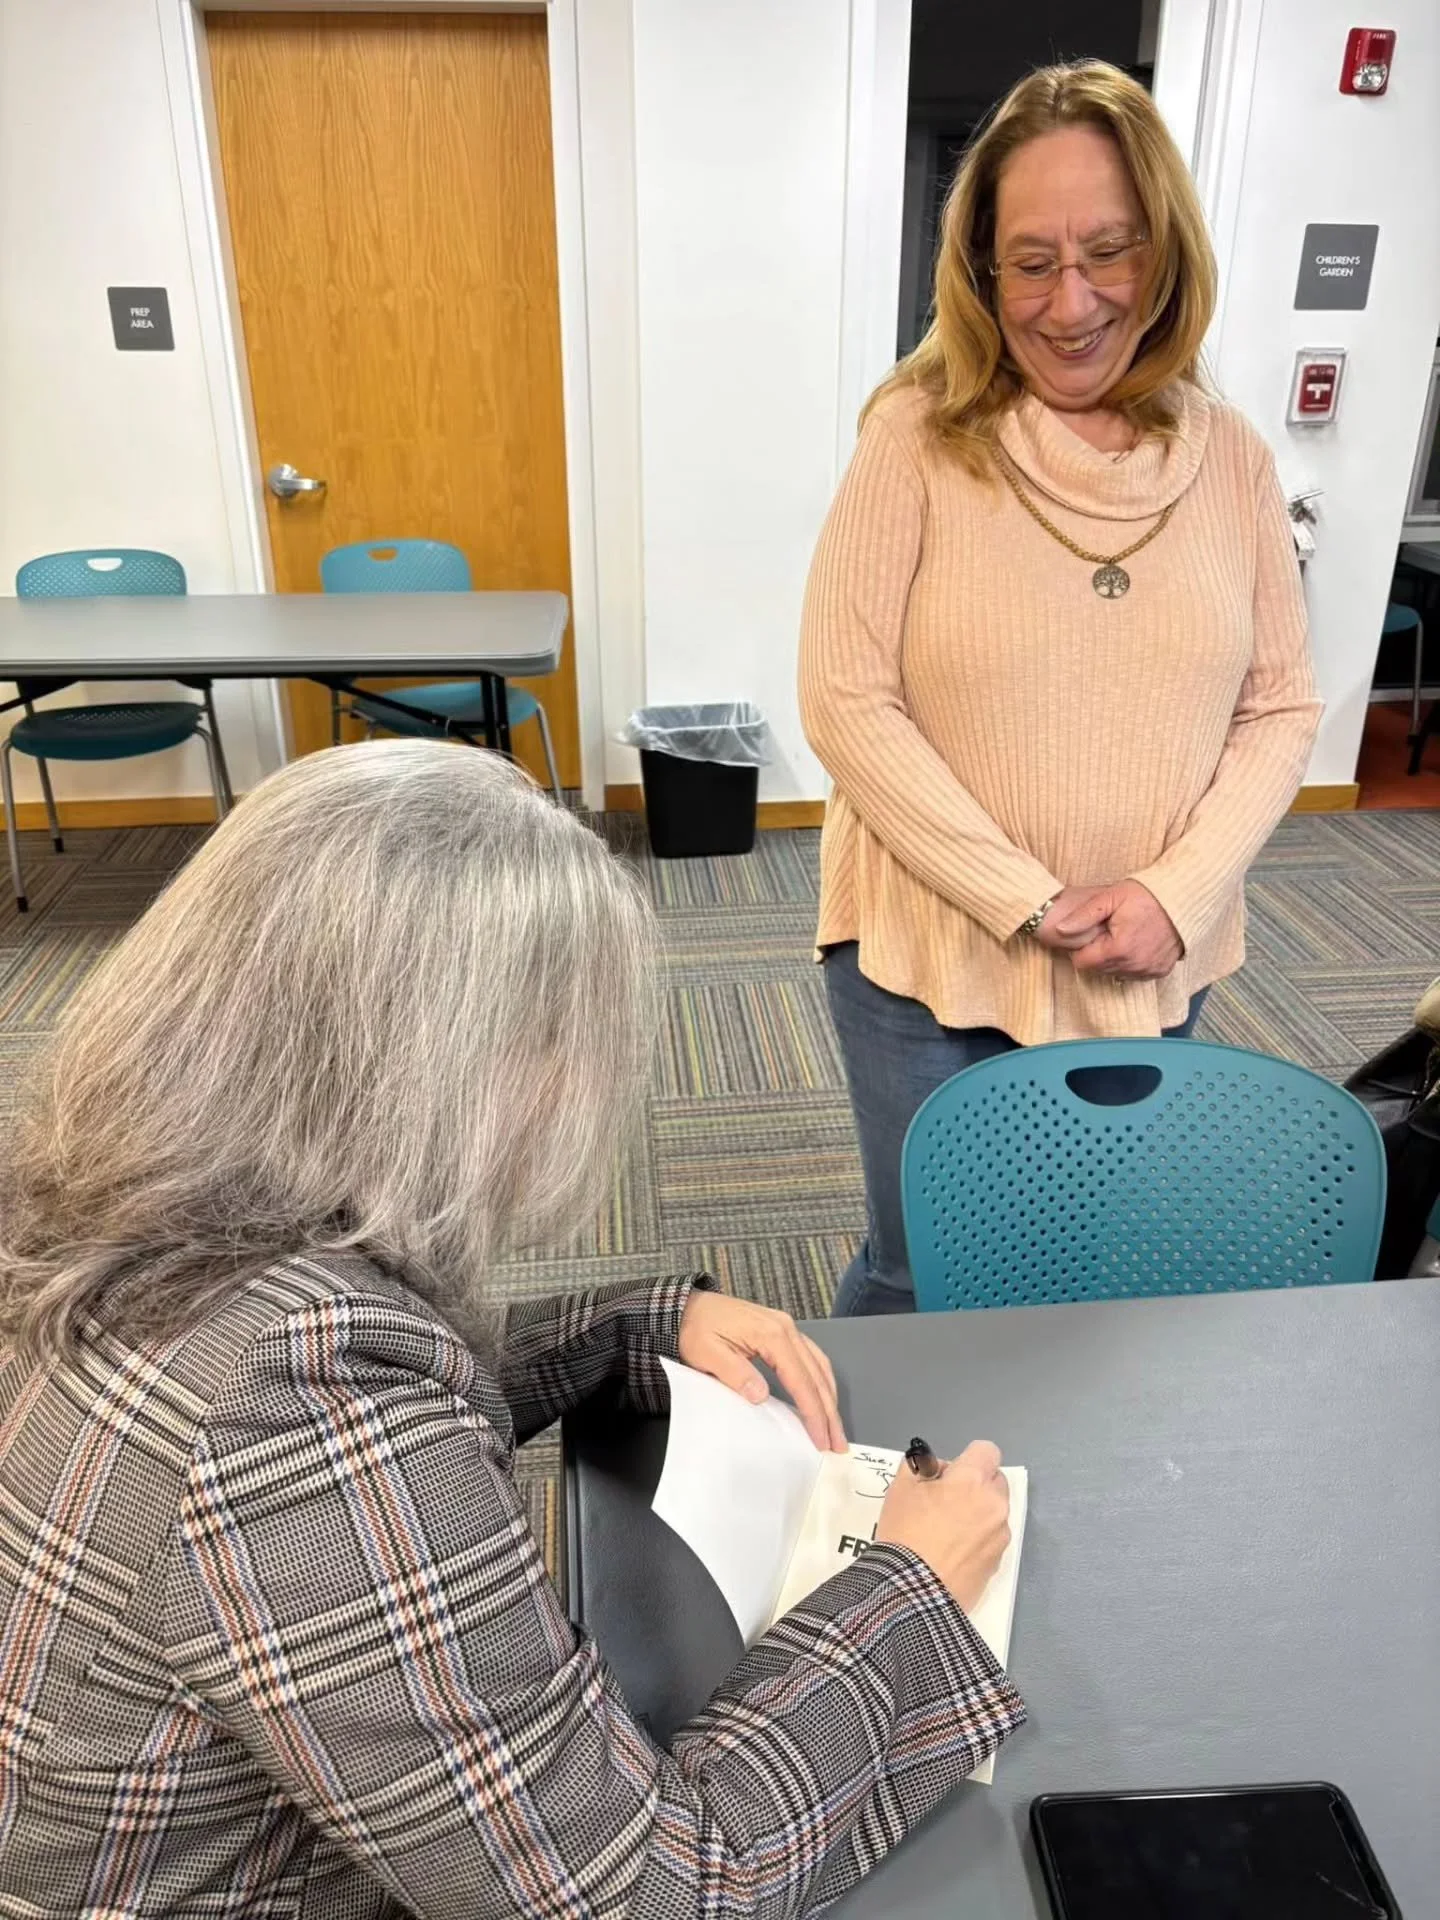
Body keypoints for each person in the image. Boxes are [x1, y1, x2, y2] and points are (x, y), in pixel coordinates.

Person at [0, 742, 1022, 1918]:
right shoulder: (295, 1415)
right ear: (454, 1070)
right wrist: (909, 1589)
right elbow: (648, 1893)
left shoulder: (110, 1208)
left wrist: (631, 1327)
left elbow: (344, 1354)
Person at [799, 60, 1322, 1317]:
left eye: (1108, 252)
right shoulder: (915, 436)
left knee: (1080, 1256)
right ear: (980, 277)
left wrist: (1174, 896)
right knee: (928, 1272)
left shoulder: (1235, 459)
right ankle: (869, 1497)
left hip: (1146, 961)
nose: (1071, 300)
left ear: (1167, 255)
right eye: (1029, 262)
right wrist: (1027, 900)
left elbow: (1283, 704)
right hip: (931, 957)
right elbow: (844, 699)